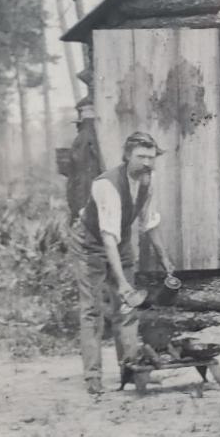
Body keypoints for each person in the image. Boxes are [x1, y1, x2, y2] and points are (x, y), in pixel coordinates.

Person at [69, 131, 175, 395]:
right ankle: (92, 376)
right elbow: (108, 240)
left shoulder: (149, 181)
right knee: (92, 310)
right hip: (89, 243)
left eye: (151, 157)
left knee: (127, 309)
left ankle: (131, 369)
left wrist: (164, 257)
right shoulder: (106, 185)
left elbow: (149, 222)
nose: (147, 163)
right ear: (127, 156)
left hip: (121, 241)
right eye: (141, 157)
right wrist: (124, 284)